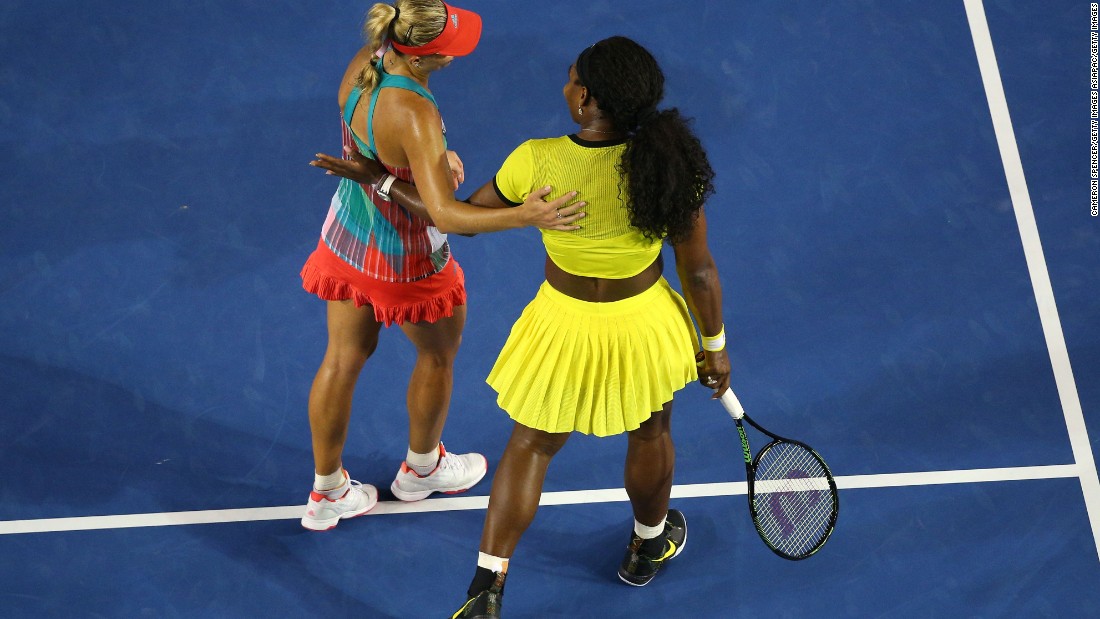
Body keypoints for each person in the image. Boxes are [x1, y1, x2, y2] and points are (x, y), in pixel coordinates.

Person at [314, 35, 727, 619]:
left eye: (570, 78)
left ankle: (486, 589)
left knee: (530, 445)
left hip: (562, 324)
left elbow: (460, 221)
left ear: (584, 99)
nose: (565, 85)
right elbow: (700, 272)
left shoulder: (537, 159)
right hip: (644, 328)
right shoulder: (672, 168)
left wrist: (379, 180)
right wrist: (715, 347)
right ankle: (648, 543)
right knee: (652, 432)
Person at [299, 0, 585, 533]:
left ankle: (327, 492)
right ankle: (423, 469)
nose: (456, 55)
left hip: (347, 238)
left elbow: (378, 155)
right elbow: (448, 216)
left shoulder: (368, 59)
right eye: (450, 47)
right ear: (429, 55)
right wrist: (528, 214)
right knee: (437, 356)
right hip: (406, 259)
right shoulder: (415, 111)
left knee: (341, 358)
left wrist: (421, 165)